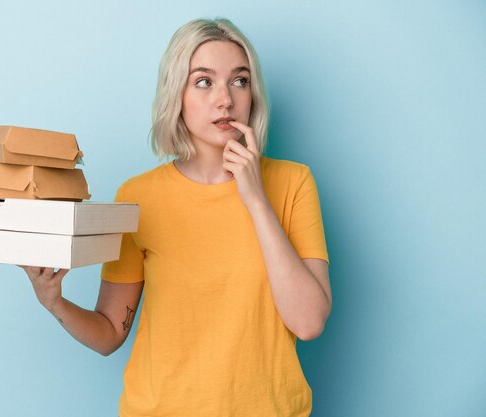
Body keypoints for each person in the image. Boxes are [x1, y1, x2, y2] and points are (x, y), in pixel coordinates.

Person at [21, 17, 331, 417]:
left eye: (240, 81)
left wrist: (255, 199)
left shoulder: (293, 183)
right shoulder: (138, 198)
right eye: (204, 81)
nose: (226, 99)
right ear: (176, 94)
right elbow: (110, 333)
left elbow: (308, 322)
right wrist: (54, 302)